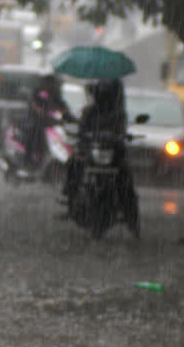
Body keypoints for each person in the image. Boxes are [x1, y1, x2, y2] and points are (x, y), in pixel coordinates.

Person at [74, 77, 140, 236]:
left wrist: (118, 142)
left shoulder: (118, 114)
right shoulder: (89, 112)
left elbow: (121, 134)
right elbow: (81, 134)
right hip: (92, 154)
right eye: (100, 94)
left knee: (126, 185)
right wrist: (83, 150)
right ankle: (72, 197)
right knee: (73, 166)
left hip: (114, 157)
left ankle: (132, 222)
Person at [23, 73, 75, 170]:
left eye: (52, 83)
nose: (50, 85)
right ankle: (29, 161)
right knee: (34, 136)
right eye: (48, 83)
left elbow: (62, 106)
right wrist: (43, 112)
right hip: (36, 122)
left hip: (51, 124)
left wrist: (69, 116)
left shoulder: (54, 94)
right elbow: (35, 106)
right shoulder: (37, 92)